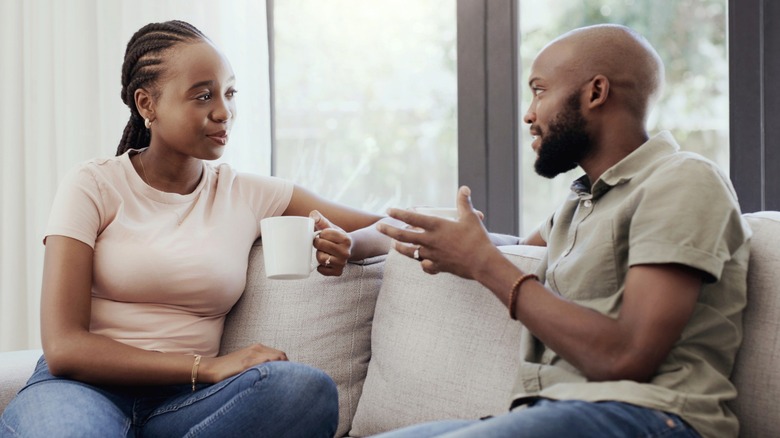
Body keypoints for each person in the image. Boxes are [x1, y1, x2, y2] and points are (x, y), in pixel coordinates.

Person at [0, 20, 392, 437]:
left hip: (185, 406)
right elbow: (64, 347)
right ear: (147, 104)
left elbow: (390, 226)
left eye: (229, 93)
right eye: (204, 95)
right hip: (80, 391)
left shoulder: (247, 193)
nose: (224, 112)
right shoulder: (92, 185)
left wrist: (351, 244)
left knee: (304, 389)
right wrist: (205, 367)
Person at [375, 24, 750, 438]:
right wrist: (438, 240)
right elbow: (514, 248)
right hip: (552, 414)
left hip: (649, 416)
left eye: (539, 90)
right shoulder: (580, 204)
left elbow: (627, 356)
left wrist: (482, 263)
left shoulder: (683, 180)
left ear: (595, 92)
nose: (528, 114)